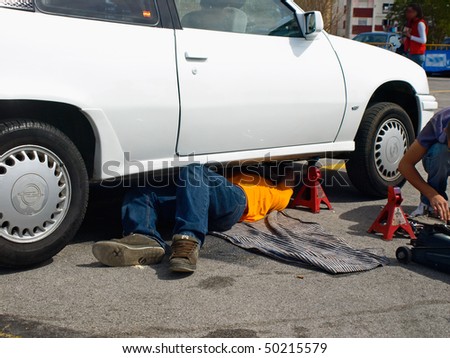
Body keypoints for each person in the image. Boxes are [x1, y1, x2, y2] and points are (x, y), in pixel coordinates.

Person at [92, 163, 295, 273]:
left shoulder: (279, 193)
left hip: (234, 202)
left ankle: (187, 242)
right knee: (142, 189)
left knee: (193, 170)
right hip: (200, 201)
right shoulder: (238, 171)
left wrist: (290, 172)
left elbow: (290, 180)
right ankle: (143, 238)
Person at [399, 107, 450, 222]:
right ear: (446, 131)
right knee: (440, 151)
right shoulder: (440, 121)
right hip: (438, 158)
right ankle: (430, 206)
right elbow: (405, 165)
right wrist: (432, 194)